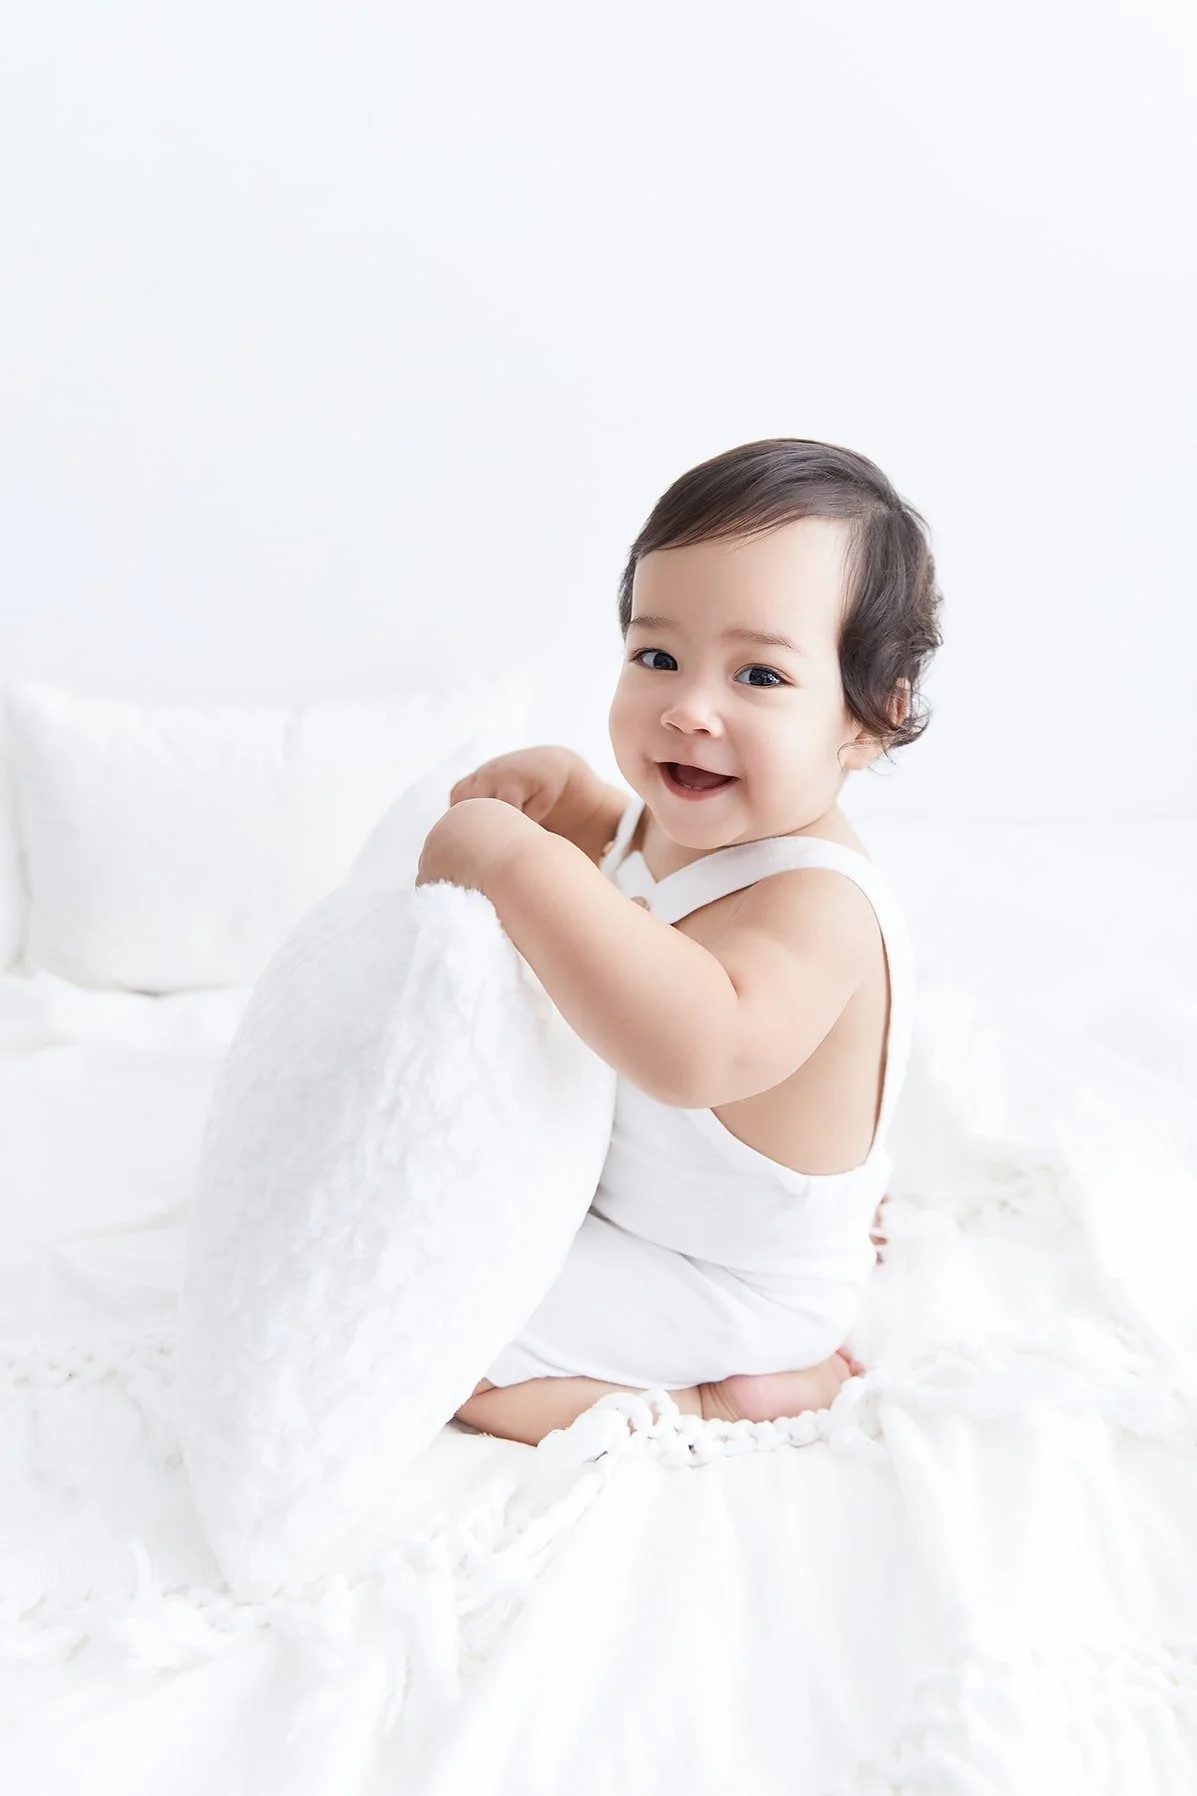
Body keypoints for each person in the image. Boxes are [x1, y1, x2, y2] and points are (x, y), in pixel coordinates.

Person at [414, 437, 943, 1446]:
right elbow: (643, 884)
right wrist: (575, 804)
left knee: (433, 1342)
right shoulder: (678, 824)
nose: (689, 708)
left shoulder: (818, 905)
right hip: (638, 1218)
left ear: (872, 718)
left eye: (759, 674)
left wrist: (519, 864)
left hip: (731, 1281)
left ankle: (733, 1397)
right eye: (656, 657)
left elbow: (693, 1046)